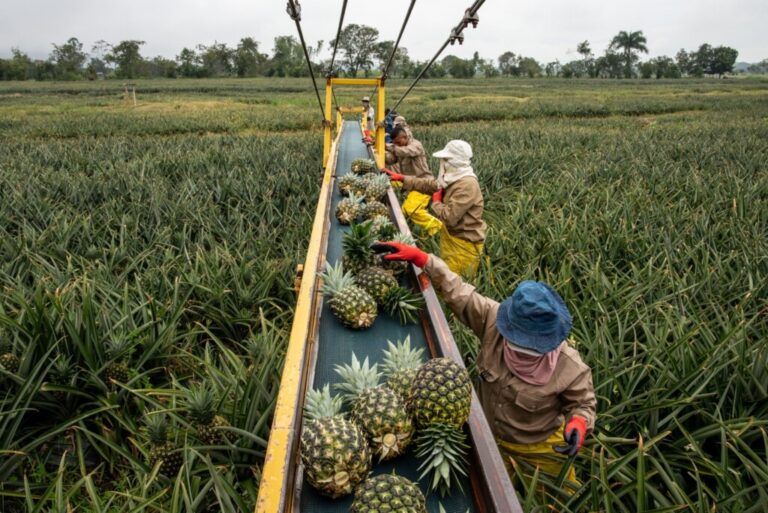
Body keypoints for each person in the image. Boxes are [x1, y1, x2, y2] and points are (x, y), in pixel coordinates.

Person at [372, 241, 596, 489]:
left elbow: (582, 402)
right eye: (517, 342)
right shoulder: (493, 319)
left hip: (540, 445)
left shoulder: (570, 366)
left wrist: (579, 421)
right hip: (488, 437)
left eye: (532, 349)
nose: (522, 352)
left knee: (561, 494)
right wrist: (424, 259)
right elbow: (459, 292)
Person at [384, 140, 486, 278]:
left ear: (452, 161)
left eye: (445, 159)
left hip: (463, 245)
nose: (442, 163)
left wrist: (436, 202)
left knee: (455, 283)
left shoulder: (466, 185)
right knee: (447, 277)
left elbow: (449, 218)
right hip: (452, 238)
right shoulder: (454, 178)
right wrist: (403, 179)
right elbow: (431, 185)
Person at [384, 126, 443, 238]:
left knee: (410, 209)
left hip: (423, 184)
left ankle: (438, 227)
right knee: (405, 209)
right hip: (410, 184)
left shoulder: (415, 145)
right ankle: (426, 233)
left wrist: (388, 146)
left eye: (398, 142)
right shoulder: (399, 147)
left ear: (404, 137)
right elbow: (391, 159)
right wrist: (378, 149)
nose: (397, 145)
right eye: (395, 143)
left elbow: (406, 152)